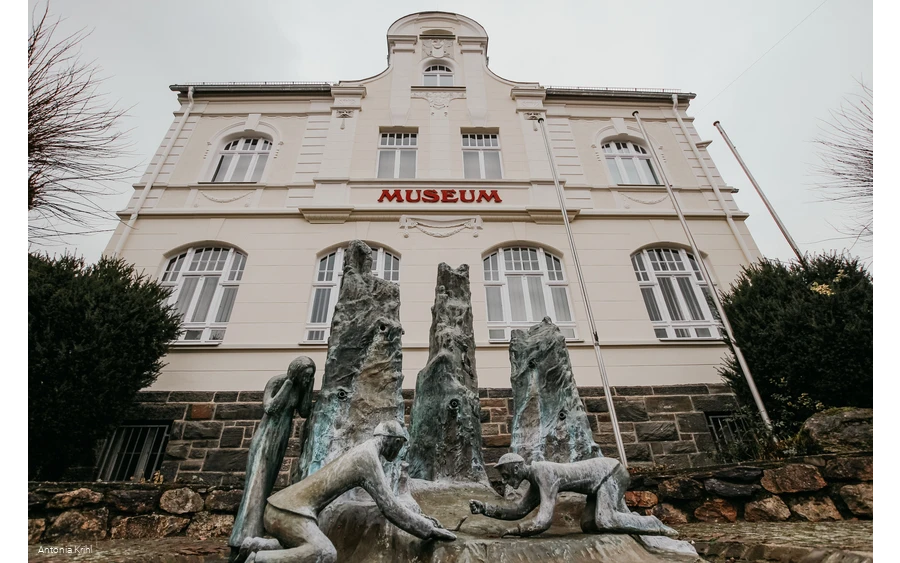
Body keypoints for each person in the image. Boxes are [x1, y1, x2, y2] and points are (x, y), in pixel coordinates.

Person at [236, 420, 456, 563]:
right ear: (393, 441)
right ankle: (258, 559)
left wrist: (421, 518)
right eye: (399, 445)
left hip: (280, 507)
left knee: (302, 547)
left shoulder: (364, 451)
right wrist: (428, 530)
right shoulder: (366, 458)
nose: (398, 452)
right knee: (324, 553)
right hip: (290, 513)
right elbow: (390, 508)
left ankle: (254, 545)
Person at [228, 357, 316, 562]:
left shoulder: (301, 387)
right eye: (305, 375)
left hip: (281, 438)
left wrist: (308, 387)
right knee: (255, 488)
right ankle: (241, 538)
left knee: (265, 487)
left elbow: (304, 411)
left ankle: (254, 535)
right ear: (296, 371)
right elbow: (270, 407)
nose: (306, 378)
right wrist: (288, 384)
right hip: (265, 437)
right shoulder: (277, 382)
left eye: (309, 376)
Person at [469, 453, 677, 538]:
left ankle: (654, 523)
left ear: (516, 469)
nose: (505, 481)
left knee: (605, 520)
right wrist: (486, 509)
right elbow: (519, 510)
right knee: (588, 525)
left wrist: (514, 531)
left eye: (505, 475)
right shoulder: (535, 478)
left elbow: (543, 522)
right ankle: (638, 522)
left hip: (610, 472)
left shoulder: (544, 472)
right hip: (598, 484)